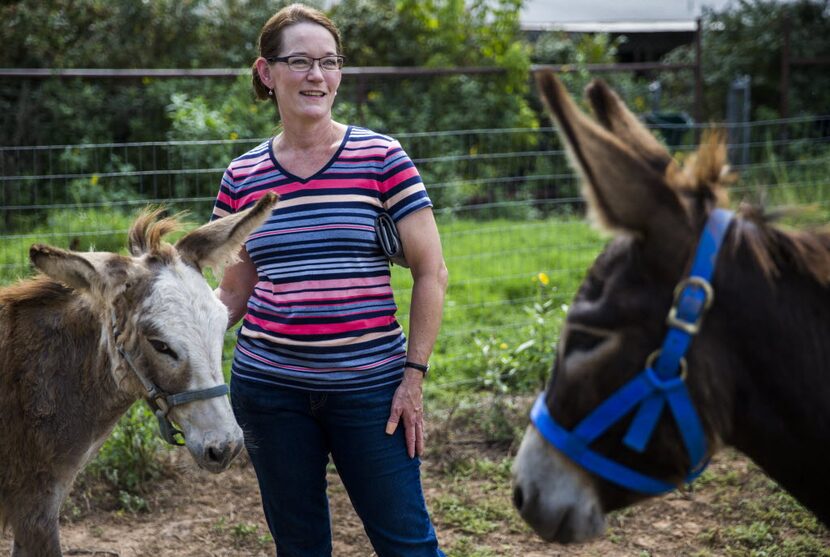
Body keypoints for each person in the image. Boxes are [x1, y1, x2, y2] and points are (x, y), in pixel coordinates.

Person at [211, 4, 448, 556]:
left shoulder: (381, 158)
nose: (317, 75)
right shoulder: (242, 177)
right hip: (270, 392)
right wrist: (175, 336)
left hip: (372, 392)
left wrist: (412, 377)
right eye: (300, 61)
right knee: (299, 547)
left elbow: (431, 271)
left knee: (407, 544)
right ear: (267, 73)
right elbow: (234, 292)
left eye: (329, 62)